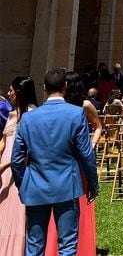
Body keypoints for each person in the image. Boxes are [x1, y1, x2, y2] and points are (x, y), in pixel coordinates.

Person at [11, 68, 99, 256]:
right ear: (65, 86)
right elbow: (86, 154)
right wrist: (92, 183)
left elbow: (16, 159)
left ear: (44, 88)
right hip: (67, 185)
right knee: (67, 246)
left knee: (34, 245)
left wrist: (23, 184)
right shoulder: (76, 114)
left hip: (36, 186)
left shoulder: (27, 118)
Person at [44, 72, 102, 256]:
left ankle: (81, 247)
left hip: (79, 159)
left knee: (79, 201)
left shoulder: (84, 105)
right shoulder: (61, 106)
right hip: (61, 157)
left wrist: (91, 145)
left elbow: (98, 126)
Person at [0, 76, 38, 256]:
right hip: (3, 165)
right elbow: (4, 140)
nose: (8, 94)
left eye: (11, 90)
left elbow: (30, 149)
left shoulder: (33, 114)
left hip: (20, 167)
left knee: (15, 211)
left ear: (20, 93)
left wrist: (6, 165)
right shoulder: (12, 113)